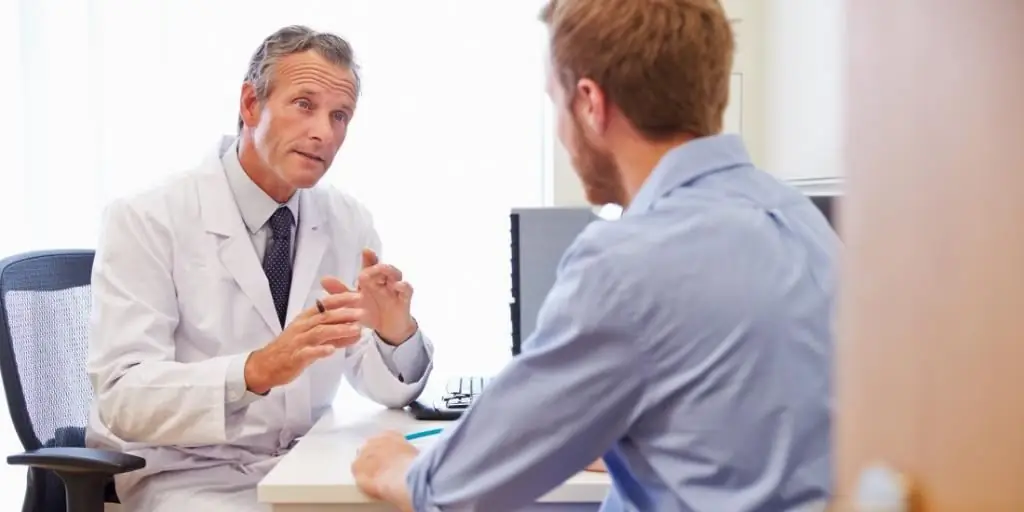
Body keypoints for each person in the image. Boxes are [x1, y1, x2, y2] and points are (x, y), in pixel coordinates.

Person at [351, 0, 839, 510]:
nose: (562, 134)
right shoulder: (806, 225)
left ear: (589, 103)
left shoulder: (628, 262)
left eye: (555, 104)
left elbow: (456, 490)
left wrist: (398, 466)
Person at [85, 25, 434, 511]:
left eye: (340, 116)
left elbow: (379, 386)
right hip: (188, 477)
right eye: (304, 105)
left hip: (305, 467)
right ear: (251, 104)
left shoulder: (348, 221)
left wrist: (396, 335)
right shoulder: (147, 218)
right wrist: (254, 371)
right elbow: (123, 397)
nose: (323, 133)